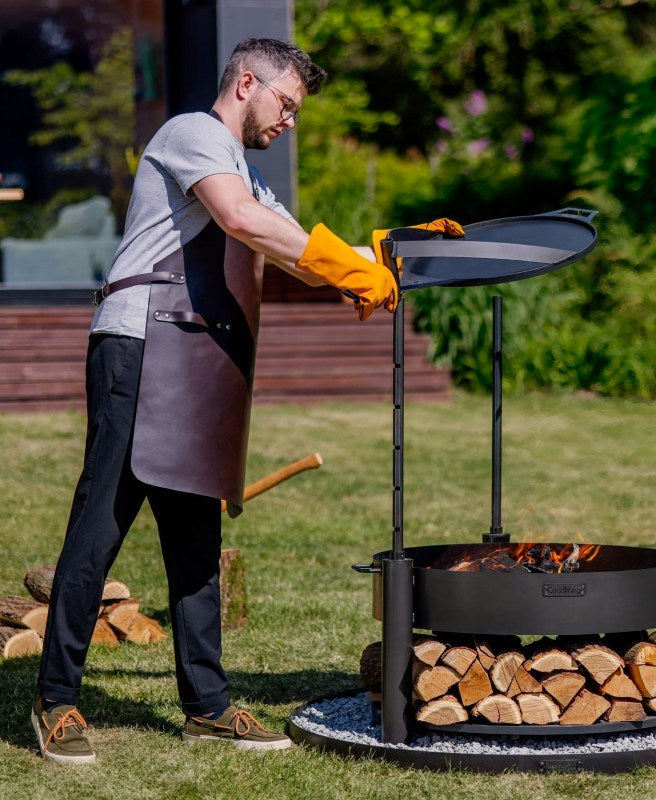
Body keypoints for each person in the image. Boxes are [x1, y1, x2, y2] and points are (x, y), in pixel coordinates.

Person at [31, 37, 462, 764]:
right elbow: (240, 221)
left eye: (295, 110)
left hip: (191, 357)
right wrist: (344, 267)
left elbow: (289, 239)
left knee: (196, 542)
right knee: (100, 527)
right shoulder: (193, 134)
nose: (289, 120)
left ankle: (208, 706)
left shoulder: (247, 173)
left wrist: (391, 257)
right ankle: (57, 702)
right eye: (286, 104)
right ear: (247, 81)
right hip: (138, 342)